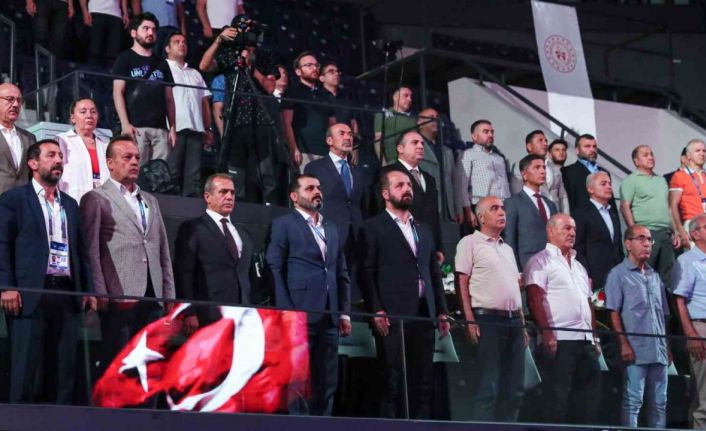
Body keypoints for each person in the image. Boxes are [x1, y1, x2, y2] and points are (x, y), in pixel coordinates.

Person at [0, 139, 92, 403]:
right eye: (51, 155)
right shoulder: (14, 200)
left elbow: (80, 250)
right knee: (25, 370)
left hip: (65, 293)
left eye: (60, 156)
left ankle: (61, 420)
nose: (58, 160)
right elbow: (2, 244)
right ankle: (19, 420)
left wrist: (85, 290)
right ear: (33, 163)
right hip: (29, 294)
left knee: (64, 371)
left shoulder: (70, 204)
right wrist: (7, 286)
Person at [358, 169, 450, 419]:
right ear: (385, 194)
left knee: (423, 381)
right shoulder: (372, 227)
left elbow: (433, 272)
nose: (407, 189)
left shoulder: (423, 228)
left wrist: (441, 310)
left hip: (424, 313)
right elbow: (366, 273)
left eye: (408, 184)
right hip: (392, 315)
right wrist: (376, 309)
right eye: (399, 185)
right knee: (393, 379)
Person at [79, 135, 175, 373]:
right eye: (127, 157)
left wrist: (169, 295)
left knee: (151, 365)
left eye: (137, 158)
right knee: (120, 364)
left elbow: (163, 250)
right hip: (119, 294)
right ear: (110, 163)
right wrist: (99, 291)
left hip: (153, 296)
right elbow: (91, 250)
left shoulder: (151, 201)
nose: (134, 162)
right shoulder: (96, 198)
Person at [266, 174, 351, 416]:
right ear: (294, 196)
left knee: (327, 380)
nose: (317, 192)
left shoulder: (331, 227)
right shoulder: (283, 224)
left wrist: (344, 313)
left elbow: (341, 272)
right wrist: (286, 310)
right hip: (298, 311)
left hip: (330, 314)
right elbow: (274, 267)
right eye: (310, 188)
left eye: (318, 187)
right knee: (298, 379)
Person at [454, 195, 525, 421]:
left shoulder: (507, 249)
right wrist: (469, 320)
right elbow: (461, 282)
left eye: (502, 208)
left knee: (514, 389)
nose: (502, 212)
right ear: (481, 217)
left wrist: (523, 324)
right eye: (494, 208)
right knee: (489, 388)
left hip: (514, 322)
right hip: (488, 322)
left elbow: (514, 288)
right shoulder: (469, 243)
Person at [525, 213, 601, 424]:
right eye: (567, 228)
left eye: (574, 228)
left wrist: (595, 338)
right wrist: (547, 334)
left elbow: (588, 303)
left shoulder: (579, 266)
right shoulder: (540, 261)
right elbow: (534, 299)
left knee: (588, 400)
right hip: (560, 340)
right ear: (550, 231)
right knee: (558, 400)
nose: (572, 232)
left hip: (585, 341)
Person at [199, 21, 280, 203]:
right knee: (236, 173)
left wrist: (251, 67)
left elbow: (270, 87)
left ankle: (269, 207)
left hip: (260, 121)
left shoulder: (263, 56)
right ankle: (236, 207)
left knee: (265, 172)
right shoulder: (230, 54)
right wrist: (219, 40)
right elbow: (204, 66)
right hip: (235, 122)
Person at [605, 224, 670, 429]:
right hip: (635, 350)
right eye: (641, 238)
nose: (647, 244)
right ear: (628, 244)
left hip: (659, 351)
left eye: (649, 239)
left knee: (660, 404)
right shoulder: (618, 274)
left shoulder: (654, 276)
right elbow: (613, 312)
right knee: (634, 401)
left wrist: (667, 346)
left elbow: (663, 315)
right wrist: (623, 343)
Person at [174, 173, 254, 330]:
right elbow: (184, 273)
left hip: (242, 318)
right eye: (223, 192)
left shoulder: (244, 234)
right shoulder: (193, 228)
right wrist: (189, 312)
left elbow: (249, 277)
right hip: (207, 316)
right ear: (207, 197)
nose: (229, 197)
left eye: (232, 193)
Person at [304, 124, 366, 295]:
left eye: (350, 134)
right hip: (329, 233)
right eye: (342, 133)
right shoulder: (315, 168)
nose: (348, 137)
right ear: (329, 140)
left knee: (351, 286)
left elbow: (361, 204)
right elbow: (308, 202)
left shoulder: (357, 172)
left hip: (355, 235)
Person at [112, 12, 176, 163]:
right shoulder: (124, 58)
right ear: (134, 33)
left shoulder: (162, 63)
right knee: (136, 171)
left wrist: (173, 127)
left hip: (161, 129)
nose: (150, 33)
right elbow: (117, 92)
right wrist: (125, 124)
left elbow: (169, 99)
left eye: (153, 29)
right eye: (146, 28)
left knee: (160, 173)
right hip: (136, 127)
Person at [620, 145, 679, 287]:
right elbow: (625, 206)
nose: (650, 157)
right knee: (644, 274)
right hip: (647, 233)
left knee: (667, 276)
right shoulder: (631, 180)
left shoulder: (661, 180)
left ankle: (664, 302)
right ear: (636, 161)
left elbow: (668, 208)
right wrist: (635, 232)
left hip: (665, 233)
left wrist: (676, 231)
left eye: (651, 154)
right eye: (645, 155)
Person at [381, 131, 443, 261]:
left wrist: (438, 246)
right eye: (415, 143)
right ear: (400, 148)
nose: (420, 146)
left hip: (427, 246)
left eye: (422, 143)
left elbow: (434, 215)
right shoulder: (386, 173)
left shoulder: (429, 178)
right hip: (398, 244)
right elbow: (379, 209)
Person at [164, 32, 213, 197]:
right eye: (177, 42)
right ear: (167, 48)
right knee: (172, 171)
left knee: (194, 175)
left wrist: (208, 128)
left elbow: (204, 102)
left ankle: (189, 207)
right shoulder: (163, 68)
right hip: (173, 127)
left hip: (196, 129)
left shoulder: (195, 73)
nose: (182, 44)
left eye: (184, 42)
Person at [672, 213, 706, 428]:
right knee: (704, 395)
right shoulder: (687, 261)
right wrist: (691, 334)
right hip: (700, 327)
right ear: (695, 234)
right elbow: (679, 300)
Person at [503, 154, 558, 270]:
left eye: (543, 167)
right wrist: (516, 270)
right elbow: (509, 240)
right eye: (537, 167)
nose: (543, 171)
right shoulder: (513, 203)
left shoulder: (550, 204)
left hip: (554, 265)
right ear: (524, 174)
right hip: (528, 265)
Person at [453, 119, 510, 230]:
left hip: (502, 207)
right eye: (486, 132)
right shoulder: (467, 155)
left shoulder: (499, 158)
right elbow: (462, 185)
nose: (490, 135)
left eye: (492, 132)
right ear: (474, 136)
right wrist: (468, 211)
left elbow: (506, 187)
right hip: (481, 207)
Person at [282, 51, 334, 170]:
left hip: (326, 152)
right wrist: (293, 148)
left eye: (316, 65)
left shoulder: (325, 95)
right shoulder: (292, 92)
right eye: (309, 65)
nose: (314, 68)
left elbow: (332, 123)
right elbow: (286, 123)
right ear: (298, 71)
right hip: (304, 152)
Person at [573, 171, 623, 291]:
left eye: (610, 183)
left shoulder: (613, 214)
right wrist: (585, 274)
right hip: (595, 275)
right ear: (590, 189)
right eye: (603, 184)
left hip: (617, 273)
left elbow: (617, 246)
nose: (609, 187)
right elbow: (578, 247)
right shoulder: (581, 212)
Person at [56, 98, 110, 202]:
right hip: (74, 201)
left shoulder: (106, 144)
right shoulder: (62, 141)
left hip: (105, 202)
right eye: (83, 112)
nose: (89, 115)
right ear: (73, 118)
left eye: (93, 112)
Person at [511, 130, 569, 214]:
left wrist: (566, 216)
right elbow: (517, 194)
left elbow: (563, 196)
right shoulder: (519, 166)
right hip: (533, 214)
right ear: (529, 146)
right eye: (540, 140)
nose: (545, 144)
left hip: (556, 215)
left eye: (546, 141)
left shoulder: (554, 168)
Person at [561, 133, 616, 214]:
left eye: (594, 146)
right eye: (587, 146)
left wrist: (615, 219)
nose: (592, 150)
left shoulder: (604, 172)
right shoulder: (567, 172)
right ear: (577, 150)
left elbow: (611, 202)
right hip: (582, 219)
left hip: (607, 217)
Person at [417, 107, 455, 221]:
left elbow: (453, 181)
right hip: (427, 208)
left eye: (437, 117)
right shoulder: (415, 149)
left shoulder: (447, 151)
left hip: (448, 209)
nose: (435, 120)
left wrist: (457, 209)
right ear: (420, 123)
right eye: (431, 117)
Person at [669, 139, 706, 248]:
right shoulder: (679, 176)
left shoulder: (704, 175)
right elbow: (672, 206)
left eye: (704, 151)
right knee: (697, 258)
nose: (702, 153)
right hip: (693, 225)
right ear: (688, 156)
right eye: (698, 151)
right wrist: (679, 230)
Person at [0, 83, 34, 194]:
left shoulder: (29, 138)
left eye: (19, 101)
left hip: (23, 200)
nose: (15, 104)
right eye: (10, 99)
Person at [79, 0, 129, 68]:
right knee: (95, 50)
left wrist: (125, 13)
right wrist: (84, 12)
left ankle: (110, 73)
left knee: (114, 52)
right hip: (96, 11)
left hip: (116, 14)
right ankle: (92, 73)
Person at [373, 86, 416, 164]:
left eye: (410, 97)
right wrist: (384, 165)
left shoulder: (413, 119)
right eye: (406, 95)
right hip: (393, 163)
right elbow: (378, 141)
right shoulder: (383, 115)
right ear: (395, 97)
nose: (409, 99)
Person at [319, 61, 358, 138]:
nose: (336, 74)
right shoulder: (319, 97)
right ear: (322, 78)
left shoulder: (346, 97)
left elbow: (353, 121)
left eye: (337, 72)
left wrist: (354, 139)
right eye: (331, 72)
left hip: (347, 140)